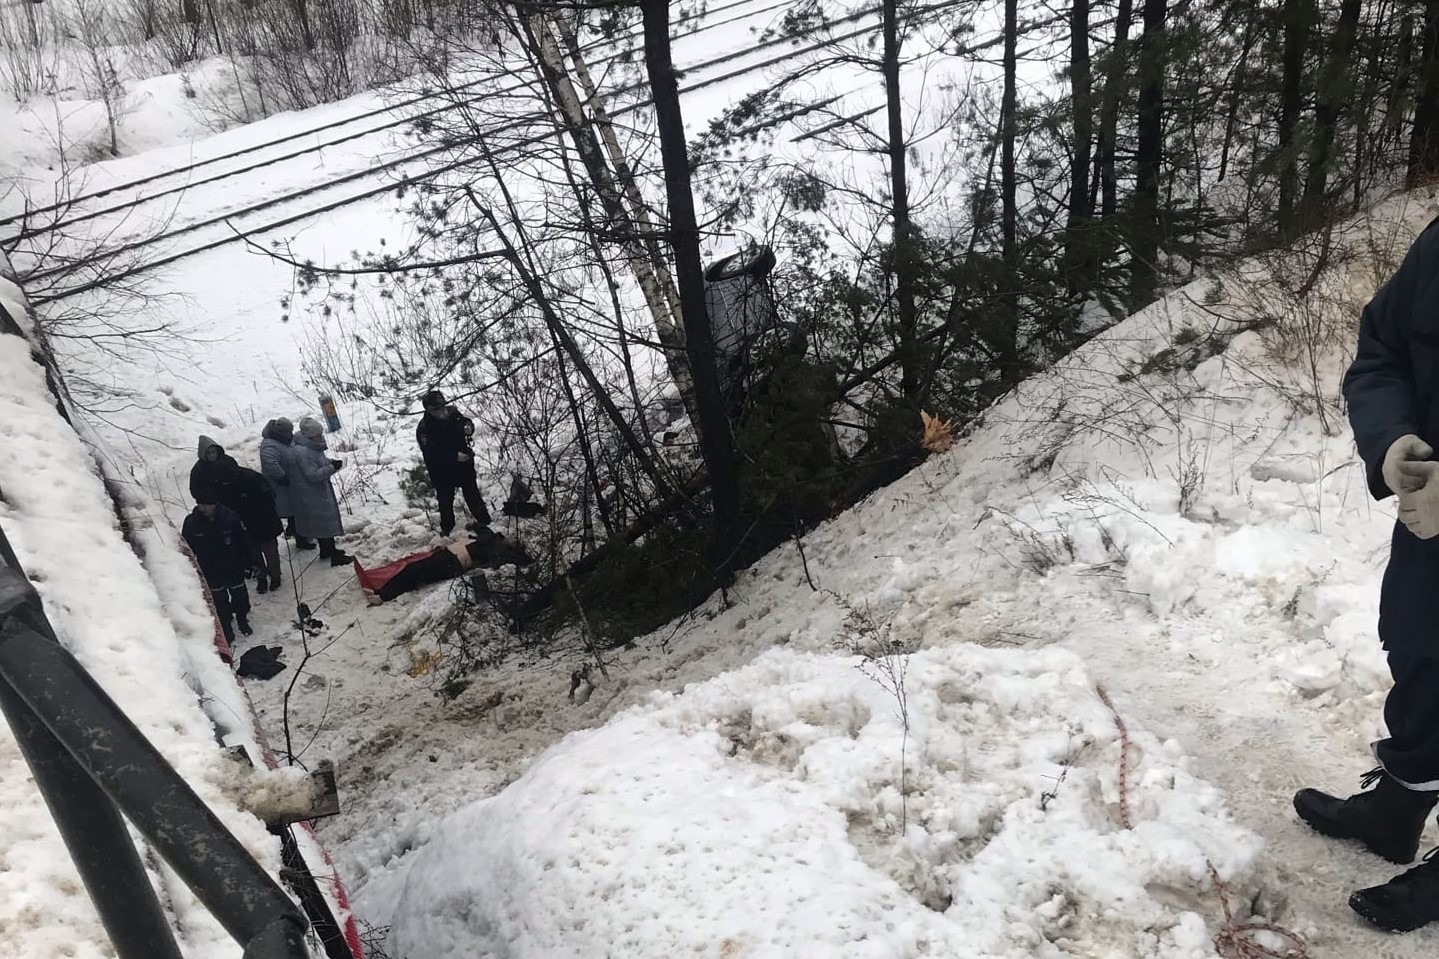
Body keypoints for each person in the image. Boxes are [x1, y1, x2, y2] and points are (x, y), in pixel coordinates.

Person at [1294, 217, 1439, 932]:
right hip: (1431, 523)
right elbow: (1379, 352)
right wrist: (1392, 445)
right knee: (1420, 647)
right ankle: (1397, 805)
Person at [190, 436, 285, 594]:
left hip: (261, 516)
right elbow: (198, 492)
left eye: (214, 452)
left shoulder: (247, 478)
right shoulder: (204, 476)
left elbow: (268, 496)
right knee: (252, 550)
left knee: (269, 548)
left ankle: (275, 575)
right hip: (240, 517)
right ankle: (261, 577)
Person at [363, 528, 532, 606]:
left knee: (415, 572)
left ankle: (382, 596)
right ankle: (383, 592)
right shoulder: (493, 539)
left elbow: (516, 560)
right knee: (413, 568)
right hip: (446, 556)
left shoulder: (497, 551)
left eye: (514, 540)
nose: (511, 537)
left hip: (451, 563)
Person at [417, 389, 491, 537]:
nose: (442, 411)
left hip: (463, 466)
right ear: (430, 410)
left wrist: (468, 427)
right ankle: (447, 530)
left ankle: (485, 521)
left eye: (443, 406)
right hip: (442, 472)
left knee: (472, 494)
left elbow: (465, 422)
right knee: (445, 500)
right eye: (437, 409)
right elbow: (432, 453)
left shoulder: (453, 414)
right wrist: (454, 457)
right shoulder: (425, 428)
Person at [182, 489, 253, 644]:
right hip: (210, 570)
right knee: (219, 602)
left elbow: (244, 542)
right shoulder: (191, 523)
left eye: (207, 505)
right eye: (200, 505)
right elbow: (187, 549)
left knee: (240, 596)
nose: (203, 508)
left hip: (233, 566)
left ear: (214, 505)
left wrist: (249, 563)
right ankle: (226, 628)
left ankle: (242, 620)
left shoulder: (230, 518)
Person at [291, 417, 354, 567]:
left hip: (316, 491)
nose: (321, 438)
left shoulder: (310, 446)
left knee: (323, 521)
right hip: (312, 493)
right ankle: (332, 555)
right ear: (309, 436)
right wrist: (332, 468)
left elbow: (319, 461)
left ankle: (327, 550)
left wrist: (330, 462)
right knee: (323, 522)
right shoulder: (304, 452)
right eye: (317, 436)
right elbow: (312, 475)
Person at [260, 418, 315, 551]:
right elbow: (270, 463)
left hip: (289, 484)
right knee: (294, 511)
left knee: (294, 510)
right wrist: (282, 477)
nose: (291, 434)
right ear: (281, 432)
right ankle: (301, 539)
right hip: (280, 486)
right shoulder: (269, 445)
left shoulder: (280, 441)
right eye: (288, 432)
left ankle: (296, 532)